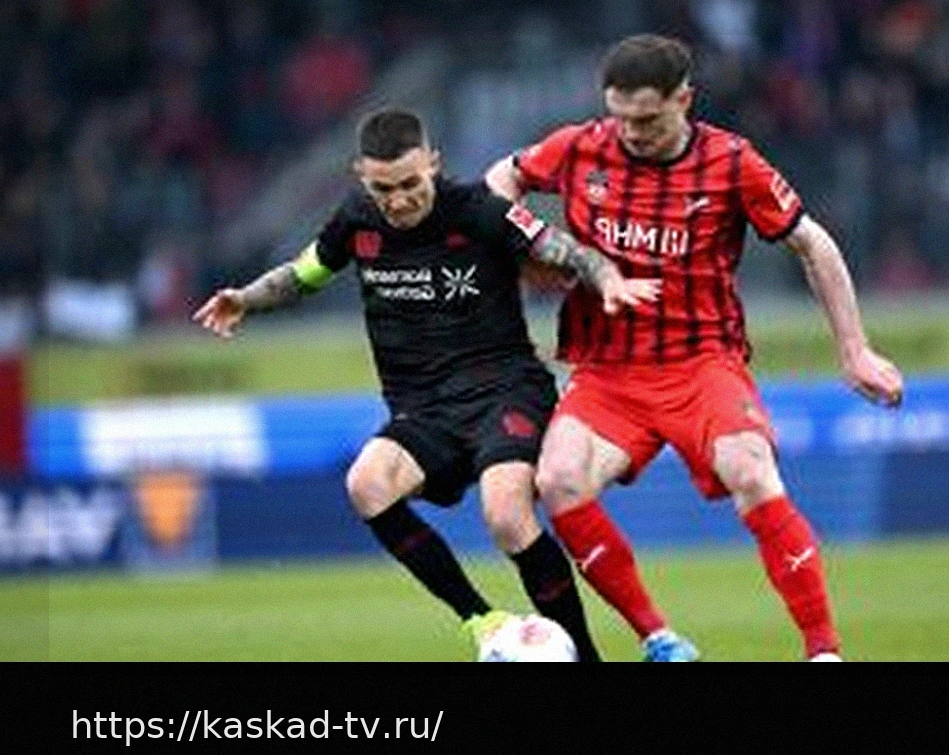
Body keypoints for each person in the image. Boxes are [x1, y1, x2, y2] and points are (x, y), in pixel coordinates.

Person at [485, 34, 904, 662]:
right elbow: (501, 180)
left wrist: (855, 352)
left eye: (648, 119)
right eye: (621, 117)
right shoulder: (580, 146)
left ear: (685, 99)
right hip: (607, 369)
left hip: (702, 362)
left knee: (751, 471)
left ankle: (823, 652)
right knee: (559, 480)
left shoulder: (732, 163)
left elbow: (813, 244)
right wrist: (539, 244)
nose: (631, 133)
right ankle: (659, 639)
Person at [194, 108, 662, 662]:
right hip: (422, 409)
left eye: (410, 184)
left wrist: (607, 278)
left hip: (504, 391)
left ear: (433, 164)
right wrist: (245, 299)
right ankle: (483, 621)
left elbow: (564, 250)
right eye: (383, 189)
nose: (398, 201)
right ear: (361, 176)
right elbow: (304, 274)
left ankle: (584, 657)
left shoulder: (481, 212)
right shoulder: (355, 221)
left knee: (506, 514)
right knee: (367, 484)